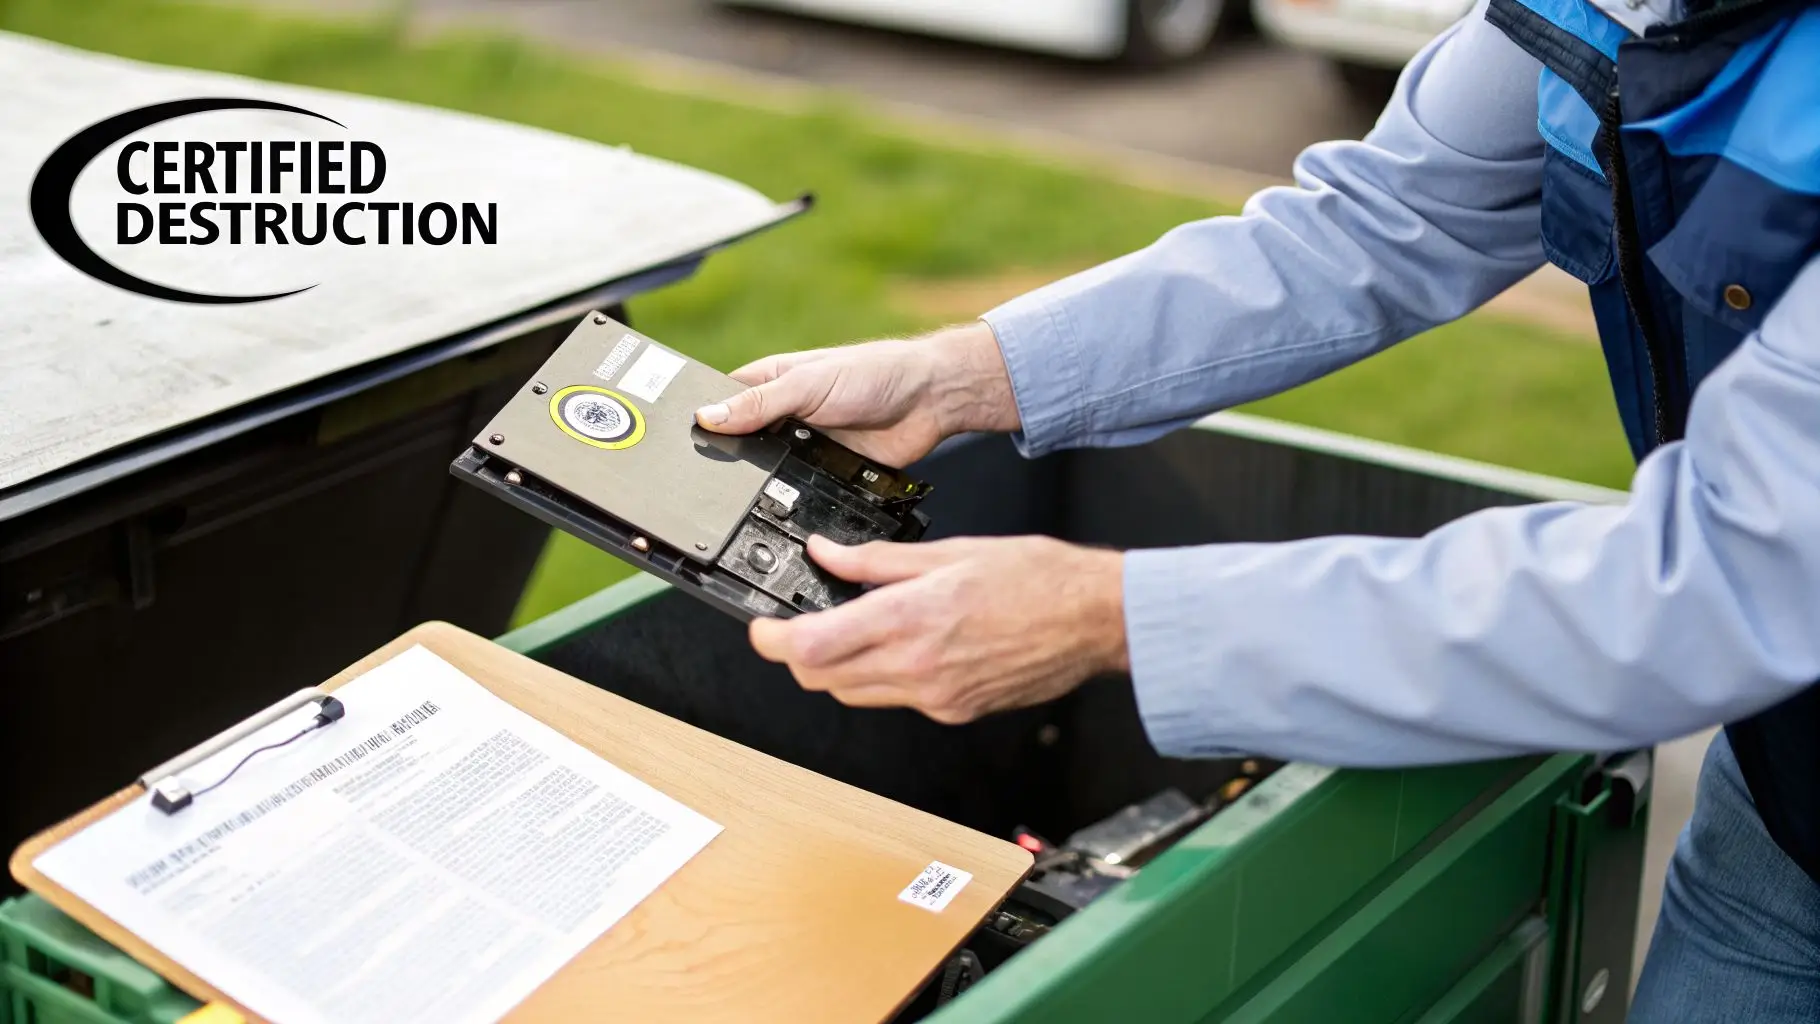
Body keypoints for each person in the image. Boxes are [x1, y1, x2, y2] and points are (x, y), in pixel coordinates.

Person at [695, 0, 1820, 1016]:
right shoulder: (1601, 8)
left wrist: (1105, 616)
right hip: (1780, 804)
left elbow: (1724, 574)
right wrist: (960, 374)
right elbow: (1374, 224)